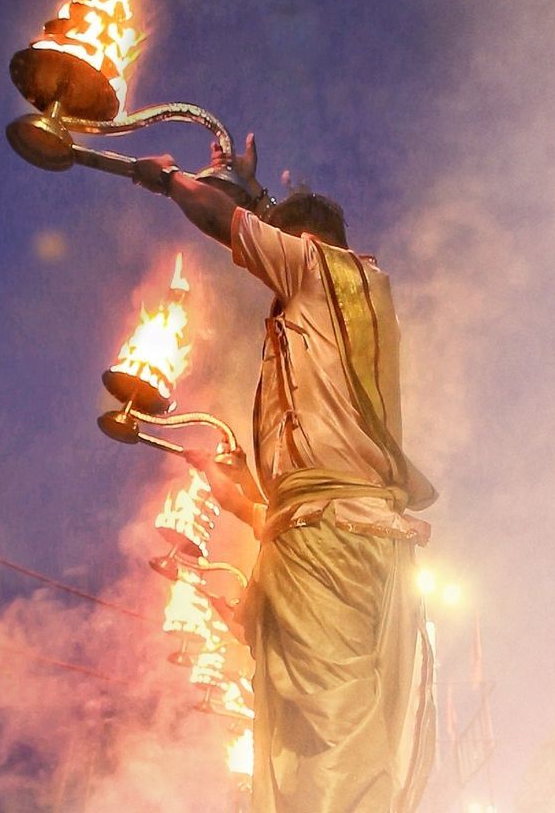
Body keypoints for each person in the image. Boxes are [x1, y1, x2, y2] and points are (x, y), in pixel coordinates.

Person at [133, 136, 437, 813]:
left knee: (334, 749)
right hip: (342, 542)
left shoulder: (322, 272)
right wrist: (242, 497)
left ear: (301, 242)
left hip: (335, 544)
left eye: (277, 242)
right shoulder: (338, 308)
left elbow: (227, 224)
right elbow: (304, 488)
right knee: (310, 743)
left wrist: (171, 179)